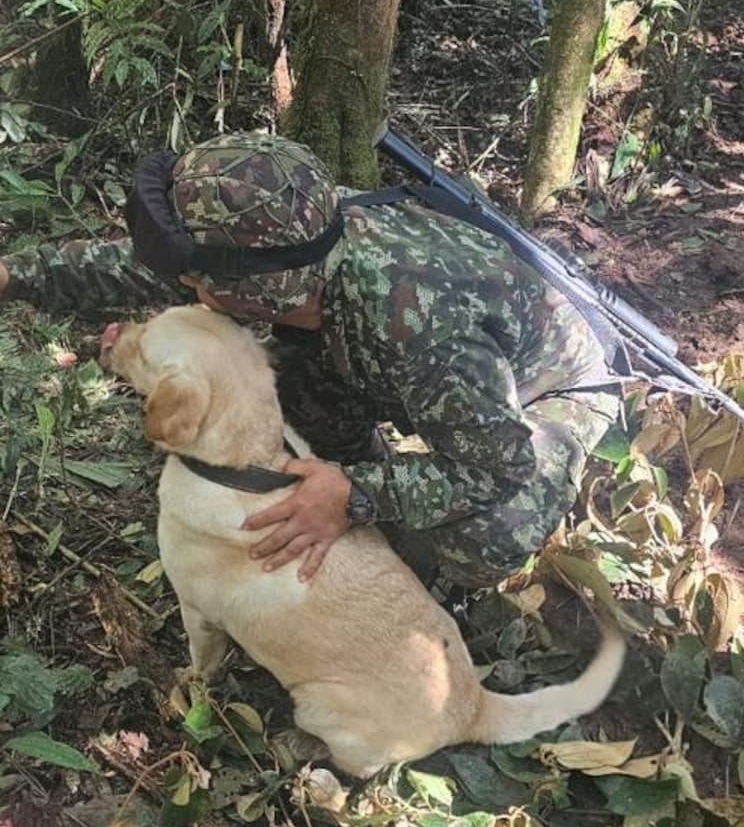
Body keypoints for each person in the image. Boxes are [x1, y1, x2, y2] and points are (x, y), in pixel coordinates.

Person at [0, 132, 621, 588]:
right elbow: (132, 269)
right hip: (419, 364)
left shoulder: (417, 327)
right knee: (284, 383)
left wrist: (354, 495)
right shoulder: (295, 231)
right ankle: (362, 478)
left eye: (195, 278)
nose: (184, 285)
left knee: (483, 536)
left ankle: (422, 574)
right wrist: (13, 275)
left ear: (255, 291)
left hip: (551, 389)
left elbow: (500, 465)